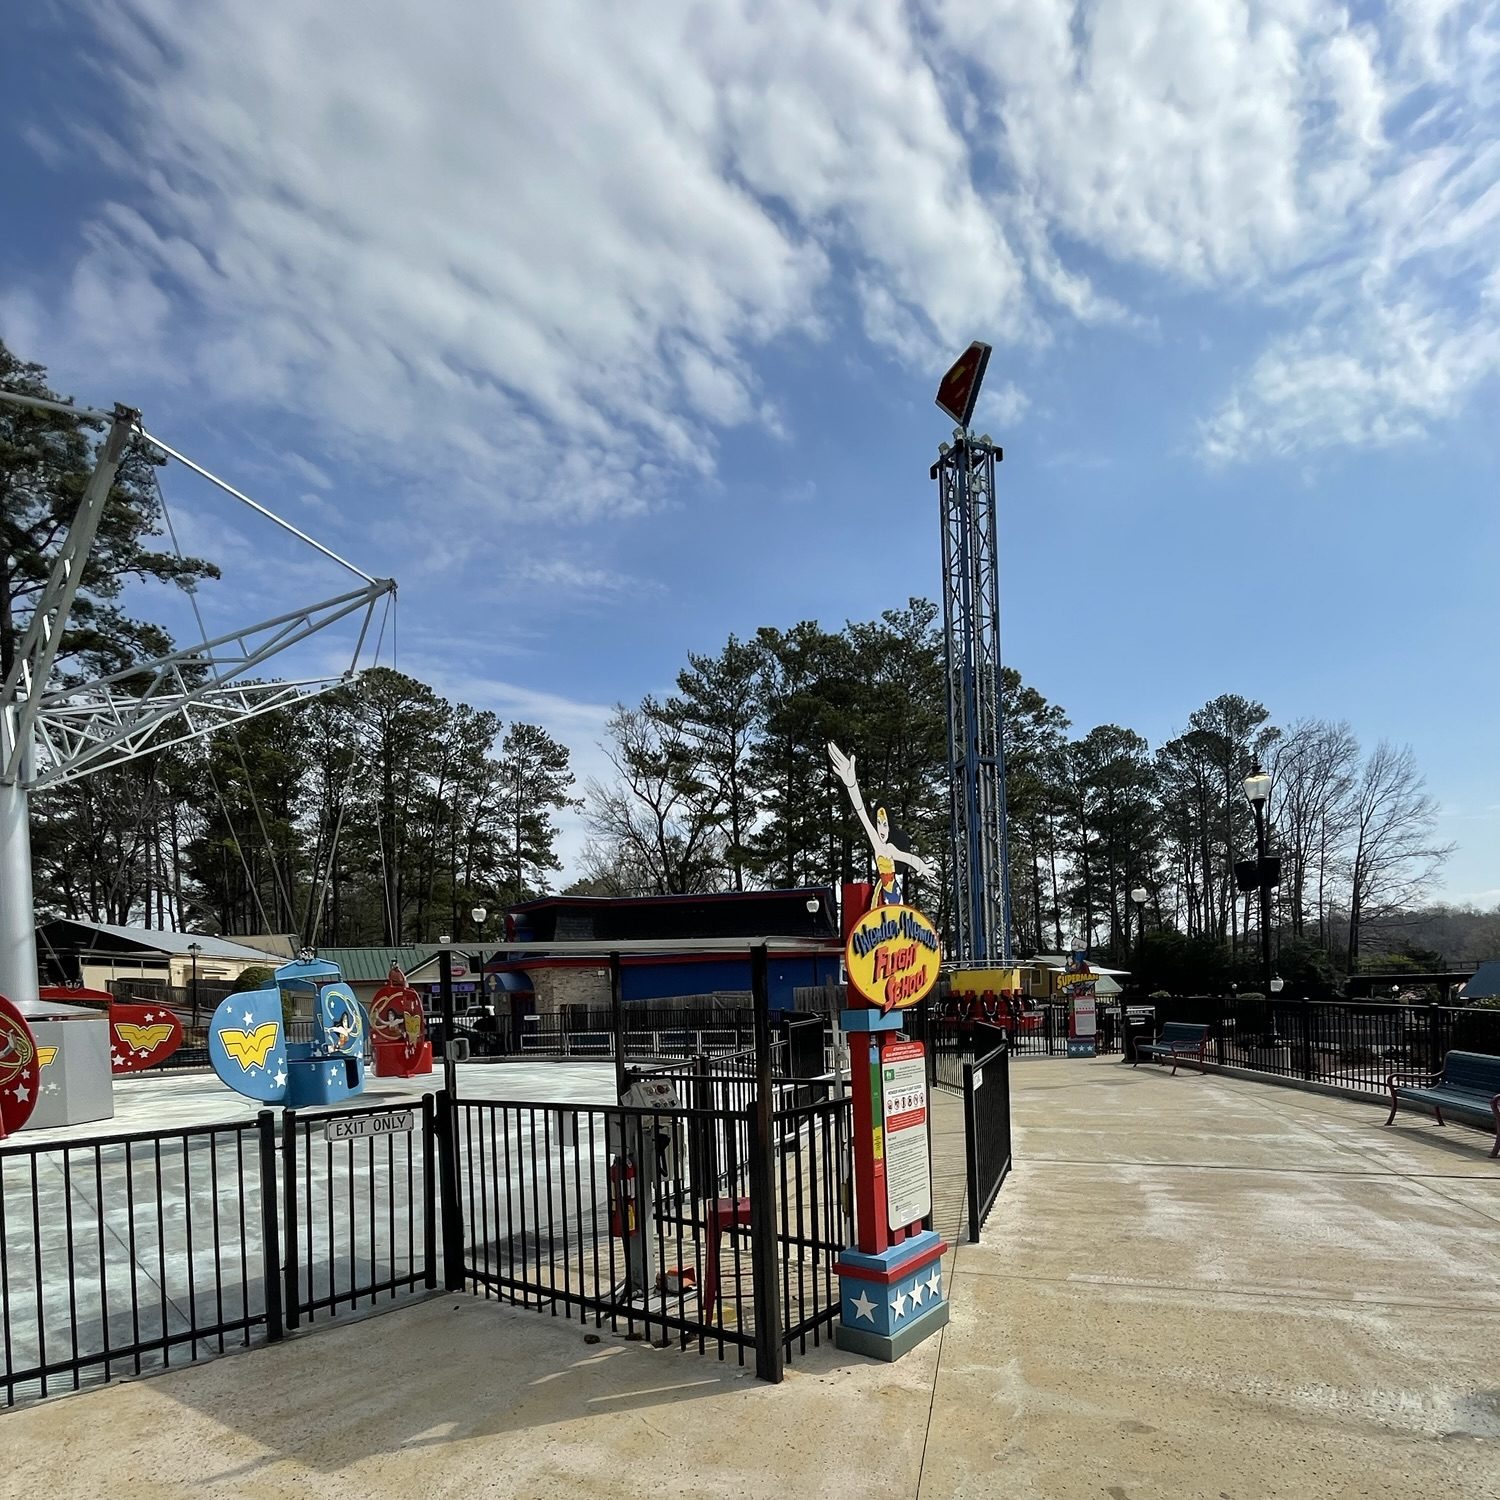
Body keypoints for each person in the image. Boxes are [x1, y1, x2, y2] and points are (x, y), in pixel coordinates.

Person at [828, 741, 936, 904]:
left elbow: (909, 858)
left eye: (884, 823)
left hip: (893, 893)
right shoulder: (876, 842)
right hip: (882, 893)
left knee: (895, 915)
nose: (881, 828)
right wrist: (852, 785)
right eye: (878, 823)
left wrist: (922, 866)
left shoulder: (890, 848)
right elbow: (861, 812)